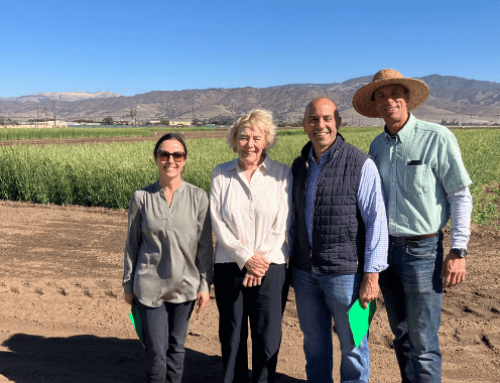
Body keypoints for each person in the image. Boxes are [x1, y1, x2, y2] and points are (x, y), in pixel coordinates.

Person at [353, 69, 473, 382]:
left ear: (407, 98)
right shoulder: (377, 146)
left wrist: (458, 250)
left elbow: (460, 196)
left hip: (423, 251)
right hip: (385, 253)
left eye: (395, 94)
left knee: (424, 342)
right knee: (402, 334)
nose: (388, 101)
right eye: (380, 96)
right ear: (375, 104)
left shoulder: (437, 138)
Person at [289, 97, 388, 383]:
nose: (321, 125)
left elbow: (376, 221)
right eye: (314, 119)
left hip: (349, 276)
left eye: (327, 118)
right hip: (306, 275)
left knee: (354, 346)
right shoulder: (299, 167)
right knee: (314, 346)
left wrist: (372, 275)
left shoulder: (361, 164)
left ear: (338, 123)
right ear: (305, 126)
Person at [122, 133, 213, 383]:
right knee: (156, 352)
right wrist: (128, 284)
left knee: (177, 349)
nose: (171, 160)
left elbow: (205, 246)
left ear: (185, 160)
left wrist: (205, 285)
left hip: (185, 287)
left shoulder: (198, 197)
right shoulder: (141, 198)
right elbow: (132, 245)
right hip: (150, 286)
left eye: (178, 155)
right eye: (164, 154)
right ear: (156, 159)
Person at [210, 109, 292, 383]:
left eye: (256, 137)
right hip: (228, 266)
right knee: (232, 336)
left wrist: (259, 263)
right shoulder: (221, 174)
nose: (250, 144)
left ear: (267, 139)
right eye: (243, 137)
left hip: (271, 268)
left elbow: (282, 224)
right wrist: (246, 259)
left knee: (266, 337)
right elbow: (218, 223)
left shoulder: (282, 174)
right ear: (234, 139)